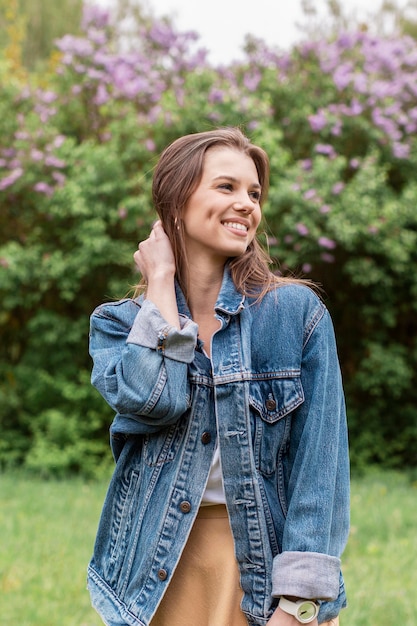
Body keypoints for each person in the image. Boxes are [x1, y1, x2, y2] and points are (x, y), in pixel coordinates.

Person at [87, 127, 350, 626]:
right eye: (226, 187)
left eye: (254, 193)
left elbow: (322, 470)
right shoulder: (119, 324)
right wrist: (161, 283)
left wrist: (299, 604)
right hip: (155, 574)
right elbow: (151, 400)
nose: (247, 204)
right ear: (177, 202)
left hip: (266, 573)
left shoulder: (295, 315)